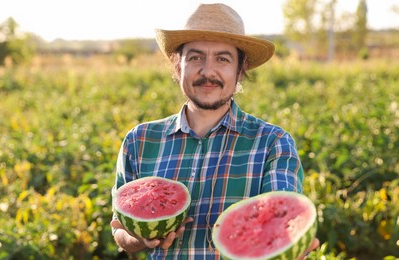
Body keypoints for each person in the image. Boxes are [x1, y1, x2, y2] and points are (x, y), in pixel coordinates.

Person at [111, 3, 319, 259]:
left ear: (240, 70)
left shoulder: (273, 143)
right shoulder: (140, 141)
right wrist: (139, 236)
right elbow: (120, 230)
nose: (208, 71)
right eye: (196, 57)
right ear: (178, 67)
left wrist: (287, 246)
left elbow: (282, 224)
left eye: (222, 59)